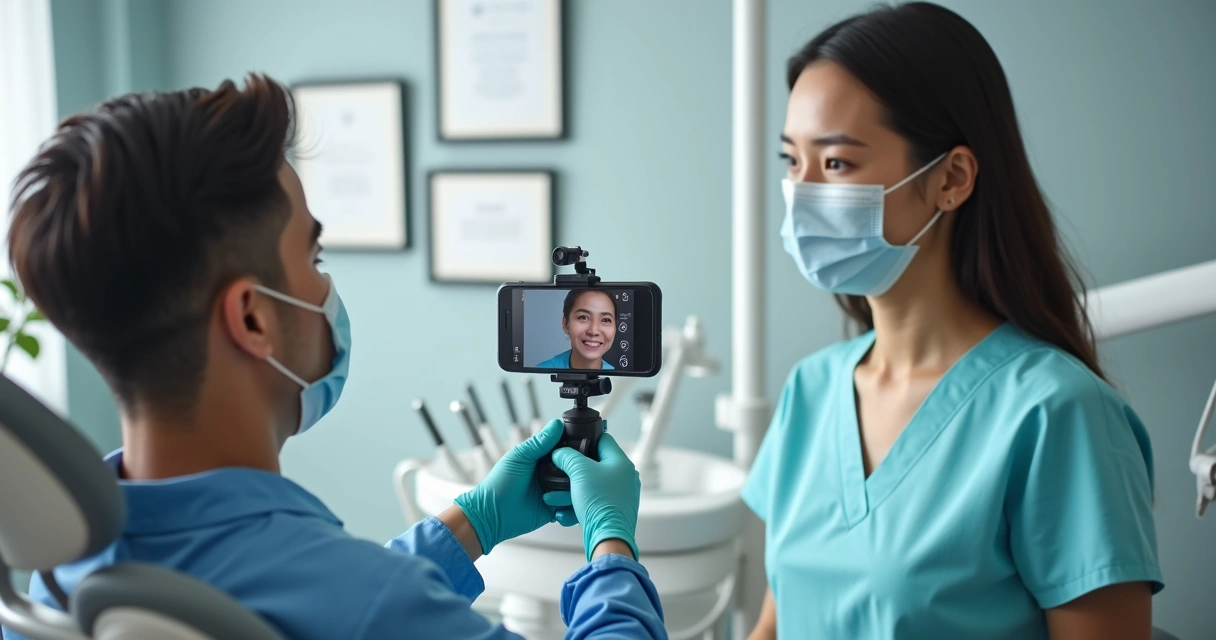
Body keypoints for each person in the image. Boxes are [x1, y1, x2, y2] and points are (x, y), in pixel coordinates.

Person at [1, 75, 663, 640]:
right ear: (253, 318)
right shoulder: (369, 605)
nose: (325, 287)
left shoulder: (63, 569)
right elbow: (360, 606)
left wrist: (475, 521)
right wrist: (612, 548)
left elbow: (327, 602)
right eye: (312, 258)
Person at [742, 3, 1162, 639]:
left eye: (836, 164)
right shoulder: (810, 390)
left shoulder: (1057, 413)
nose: (803, 194)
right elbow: (775, 625)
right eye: (791, 162)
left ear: (951, 178)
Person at [537, 289, 617, 370]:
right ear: (565, 324)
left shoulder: (616, 376)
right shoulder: (542, 372)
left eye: (606, 320)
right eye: (583, 317)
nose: (593, 331)